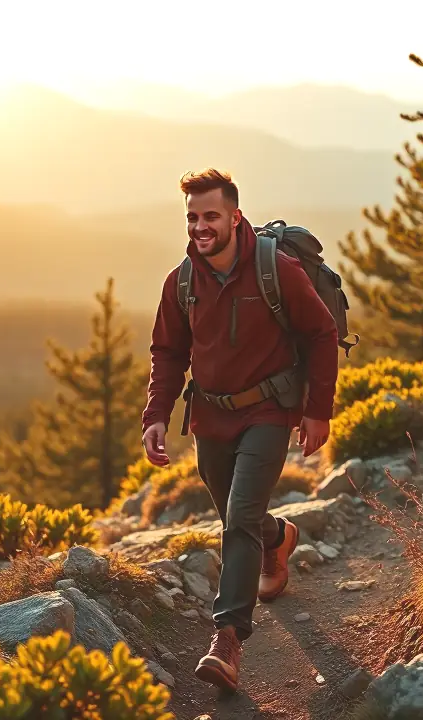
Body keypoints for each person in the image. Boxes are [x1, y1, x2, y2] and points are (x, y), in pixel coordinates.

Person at [140, 168, 339, 691]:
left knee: (238, 520)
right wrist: (157, 415)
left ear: (234, 216)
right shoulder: (181, 282)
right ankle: (280, 537)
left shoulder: (278, 270)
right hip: (210, 416)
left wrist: (318, 409)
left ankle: (226, 639)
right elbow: (167, 352)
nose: (200, 227)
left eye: (210, 216)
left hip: (269, 411)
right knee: (240, 515)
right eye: (192, 217)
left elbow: (321, 333)